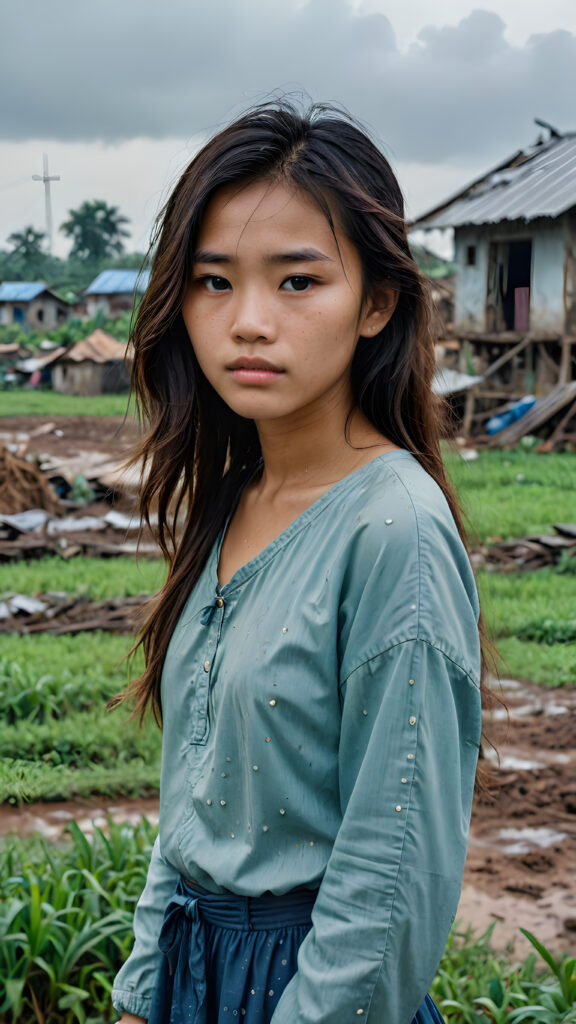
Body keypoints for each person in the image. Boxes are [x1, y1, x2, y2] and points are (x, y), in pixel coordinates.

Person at [111, 101, 487, 1024]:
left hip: (310, 989)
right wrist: (141, 988)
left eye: (296, 282)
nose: (246, 322)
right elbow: (193, 806)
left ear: (377, 303)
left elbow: (389, 880)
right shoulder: (234, 500)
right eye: (212, 281)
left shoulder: (392, 530)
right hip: (193, 977)